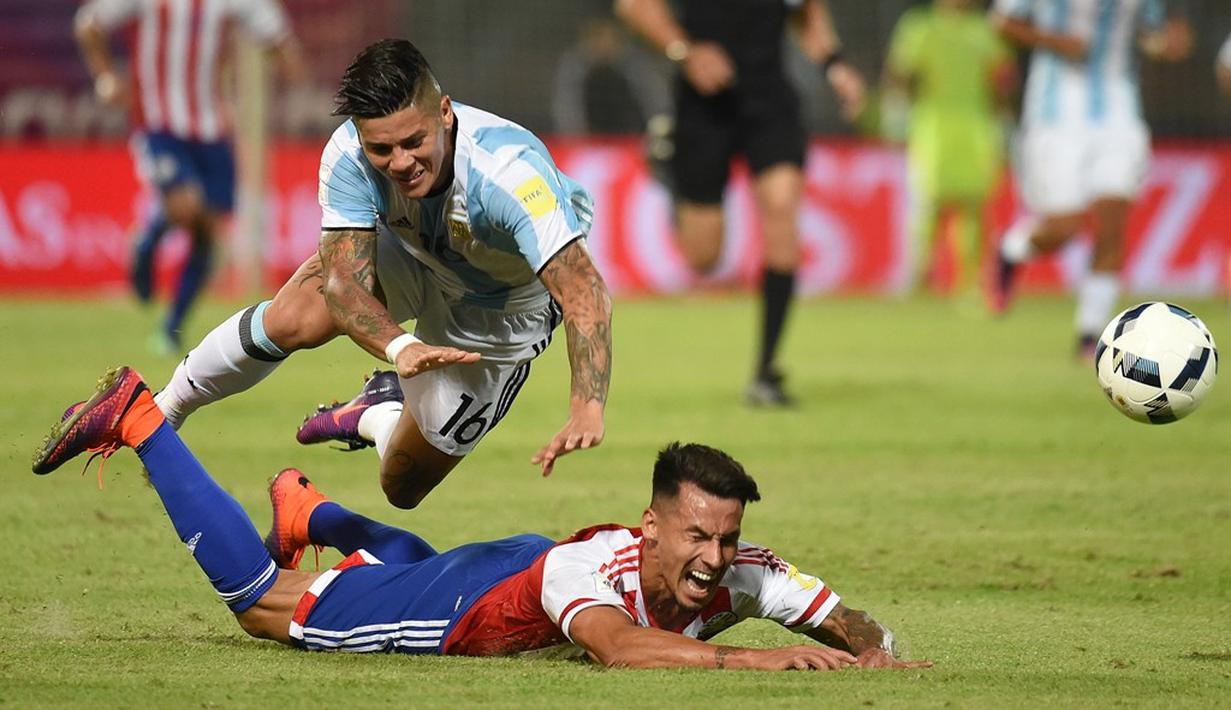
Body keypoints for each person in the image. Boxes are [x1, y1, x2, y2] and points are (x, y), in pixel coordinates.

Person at [31, 366, 931, 670]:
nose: (714, 557)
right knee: (268, 608)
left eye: (725, 538)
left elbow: (832, 614)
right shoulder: (597, 578)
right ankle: (140, 418)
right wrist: (765, 659)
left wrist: (874, 652)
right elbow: (620, 649)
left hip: (508, 572)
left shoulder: (740, 569)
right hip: (487, 599)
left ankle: (314, 510)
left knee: (417, 566)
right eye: (696, 536)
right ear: (650, 527)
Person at [152, 39, 613, 508]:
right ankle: (161, 411)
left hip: (502, 308)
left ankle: (378, 411)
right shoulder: (348, 156)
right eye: (382, 148)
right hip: (414, 255)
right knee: (296, 316)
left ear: (446, 114)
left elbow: (583, 291)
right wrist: (401, 344)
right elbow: (342, 284)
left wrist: (586, 407)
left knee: (402, 487)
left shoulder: (510, 176)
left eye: (414, 142)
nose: (401, 163)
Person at [615, 0, 865, 407]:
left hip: (771, 103)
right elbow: (632, 6)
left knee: (783, 208)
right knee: (703, 256)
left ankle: (766, 371)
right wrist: (684, 49)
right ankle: (671, 172)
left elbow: (808, 14)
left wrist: (835, 66)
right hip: (703, 102)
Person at [73, 0, 305, 354]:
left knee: (207, 230)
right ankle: (148, 242)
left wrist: (291, 66)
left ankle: (172, 326)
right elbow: (89, 24)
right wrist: (106, 75)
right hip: (158, 123)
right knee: (185, 205)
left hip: (212, 127)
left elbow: (275, 34)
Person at [989, 0, 1192, 358]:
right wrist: (1054, 40)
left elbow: (1151, 33)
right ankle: (1010, 250)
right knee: (1064, 228)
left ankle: (1090, 337)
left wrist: (1167, 44)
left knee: (1112, 226)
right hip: (1054, 116)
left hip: (1120, 113)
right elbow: (1001, 22)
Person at [882, 0, 1015, 304]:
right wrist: (896, 110)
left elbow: (1003, 79)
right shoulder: (919, 26)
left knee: (974, 204)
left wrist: (1006, 120)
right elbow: (900, 73)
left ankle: (970, 283)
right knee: (927, 203)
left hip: (978, 127)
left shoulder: (986, 28)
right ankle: (917, 280)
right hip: (932, 125)